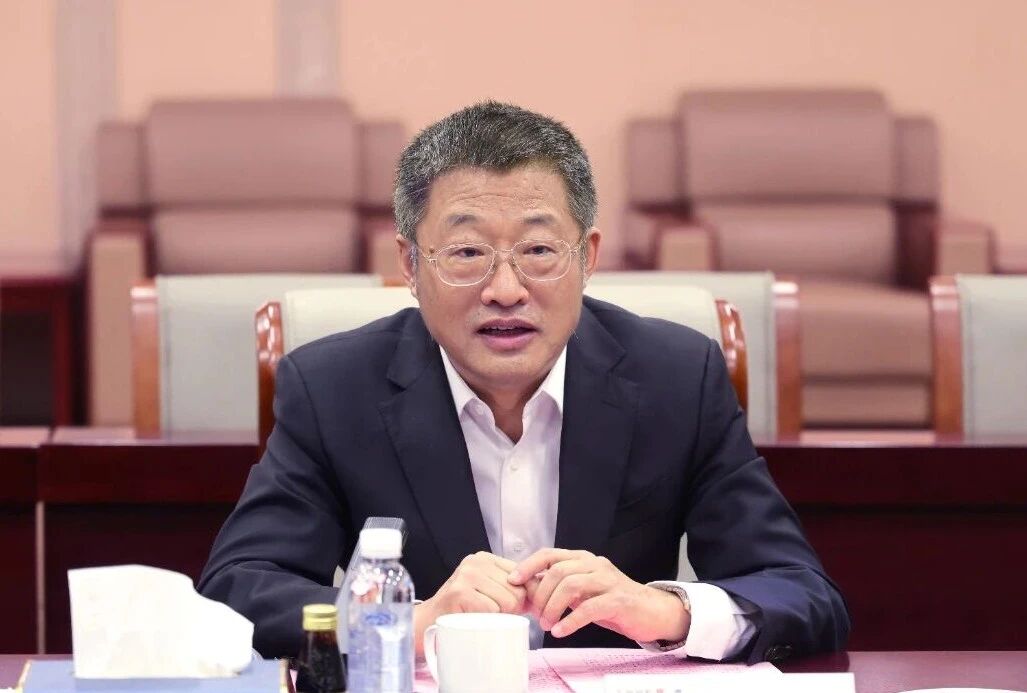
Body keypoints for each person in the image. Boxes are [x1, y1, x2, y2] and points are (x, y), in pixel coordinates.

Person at [198, 101, 849, 665]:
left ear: (587, 257)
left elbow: (801, 592)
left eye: (538, 251)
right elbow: (235, 594)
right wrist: (404, 622)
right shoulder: (334, 390)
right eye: (467, 253)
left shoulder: (676, 379)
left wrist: (665, 609)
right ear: (410, 265)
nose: (505, 290)